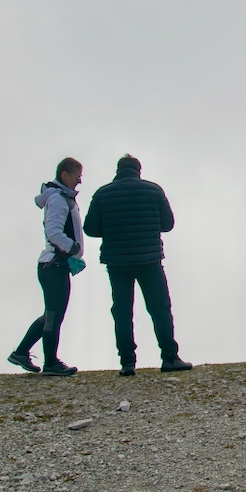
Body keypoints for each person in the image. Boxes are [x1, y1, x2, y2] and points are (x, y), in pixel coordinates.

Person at [83, 154, 191, 376]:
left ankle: (127, 362)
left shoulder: (103, 194)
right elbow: (168, 224)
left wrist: (113, 229)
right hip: (149, 259)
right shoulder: (154, 190)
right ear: (138, 170)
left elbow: (90, 228)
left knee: (122, 310)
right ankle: (169, 357)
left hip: (117, 261)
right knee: (160, 308)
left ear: (118, 170)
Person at [8, 158, 86, 376]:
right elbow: (53, 230)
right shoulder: (59, 199)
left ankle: (22, 352)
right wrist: (72, 247)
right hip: (54, 265)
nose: (79, 182)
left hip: (54, 265)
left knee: (51, 314)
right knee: (54, 315)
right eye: (76, 177)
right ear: (64, 175)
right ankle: (51, 362)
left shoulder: (60, 198)